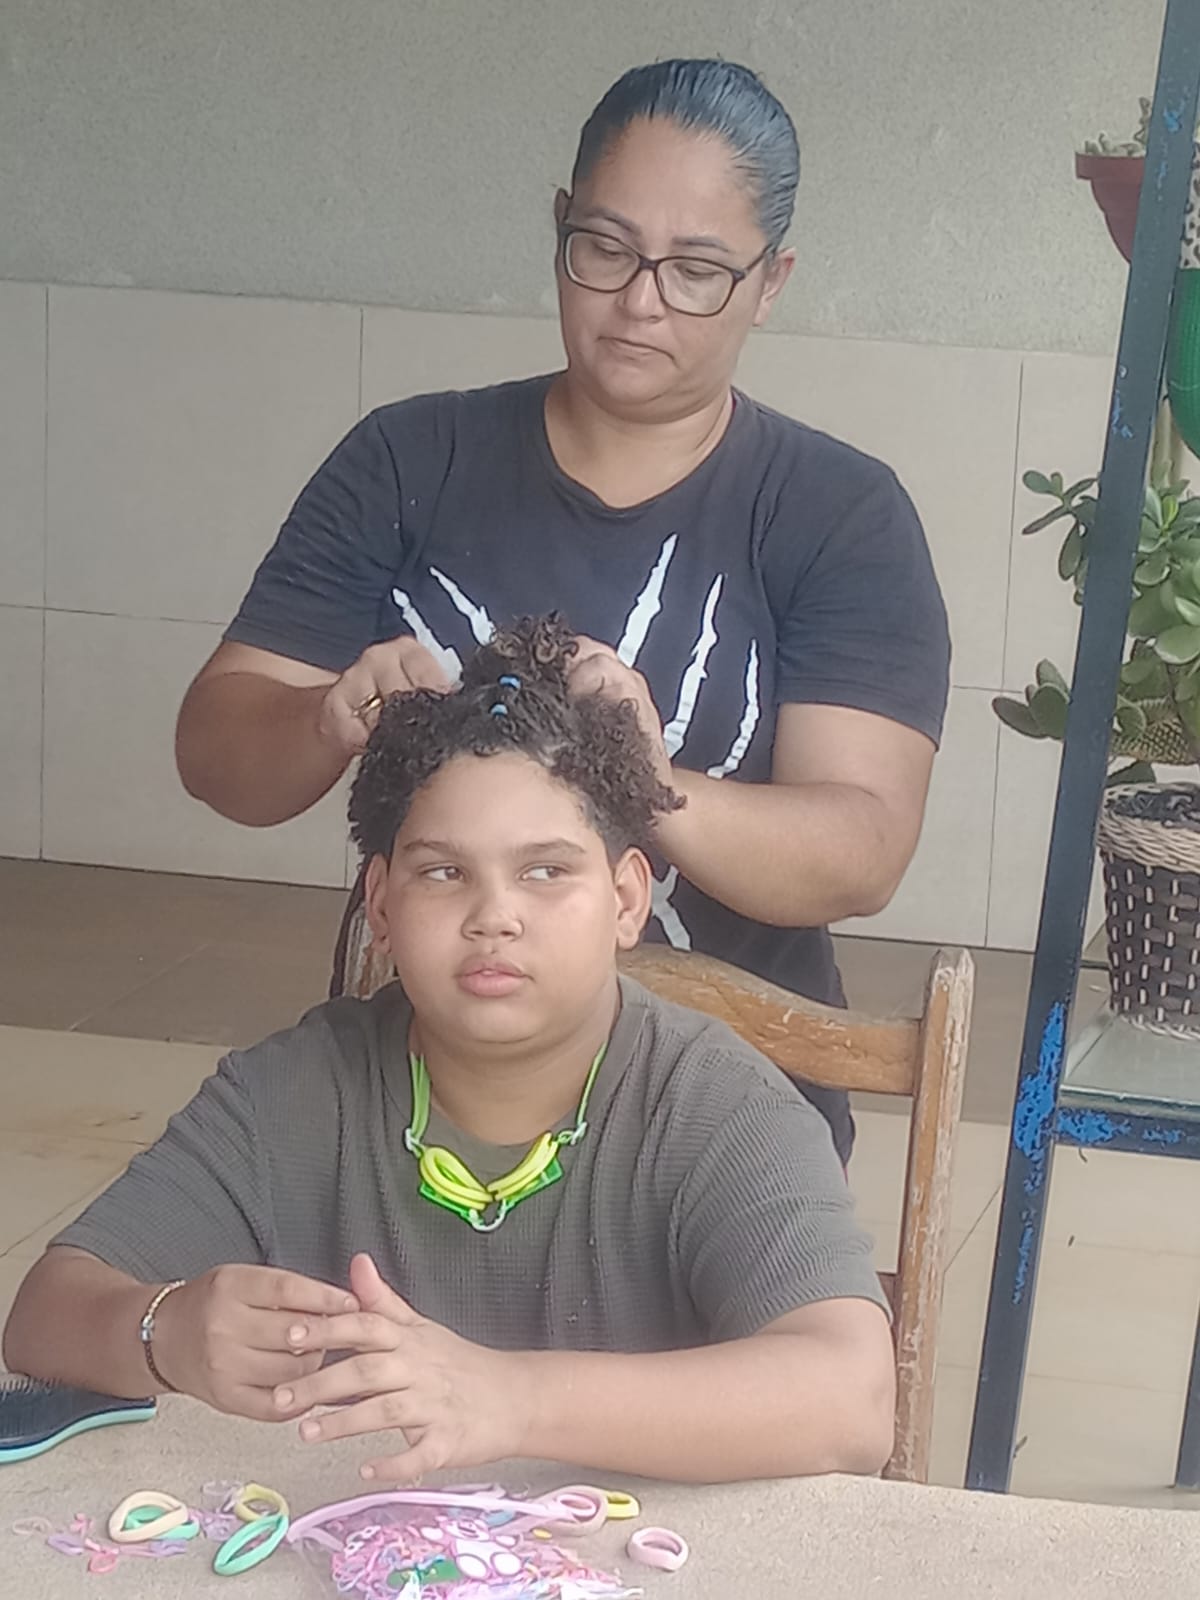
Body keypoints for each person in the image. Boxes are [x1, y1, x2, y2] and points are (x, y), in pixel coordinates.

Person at [174, 58, 950, 1165]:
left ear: (770, 281)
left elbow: (860, 848)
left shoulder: (837, 512)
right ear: (558, 228)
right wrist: (324, 718)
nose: (641, 300)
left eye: (697, 271)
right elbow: (215, 753)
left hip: (725, 1122)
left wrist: (645, 776)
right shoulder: (409, 458)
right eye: (606, 248)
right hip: (418, 1109)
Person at [5, 618, 894, 1485]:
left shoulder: (716, 1107)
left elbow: (851, 1396)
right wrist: (164, 1329)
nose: (494, 916)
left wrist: (510, 1398)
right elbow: (44, 1316)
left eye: (546, 871)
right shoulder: (294, 1092)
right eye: (443, 872)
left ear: (627, 900)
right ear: (381, 906)